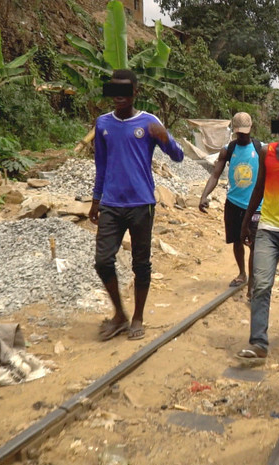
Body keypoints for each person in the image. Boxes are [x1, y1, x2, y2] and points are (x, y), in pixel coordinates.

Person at [90, 69, 184, 341]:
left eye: (124, 90)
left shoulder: (149, 122)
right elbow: (101, 165)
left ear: (135, 92)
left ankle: (138, 317)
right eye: (114, 90)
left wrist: (165, 137)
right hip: (111, 203)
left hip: (142, 204)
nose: (119, 96)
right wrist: (96, 200)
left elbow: (178, 156)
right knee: (102, 261)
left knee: (141, 264)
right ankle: (119, 314)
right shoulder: (102, 124)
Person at [235, 110, 279, 360]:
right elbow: (259, 187)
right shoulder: (267, 152)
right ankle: (258, 342)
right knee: (261, 284)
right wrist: (246, 222)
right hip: (268, 229)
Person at [198, 112, 262, 296]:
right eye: (239, 132)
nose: (242, 135)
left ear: (251, 129)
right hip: (233, 204)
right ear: (234, 130)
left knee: (254, 245)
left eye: (244, 132)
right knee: (236, 240)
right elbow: (215, 175)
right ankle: (242, 273)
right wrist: (204, 196)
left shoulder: (260, 149)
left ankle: (252, 284)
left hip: (255, 207)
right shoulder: (228, 149)